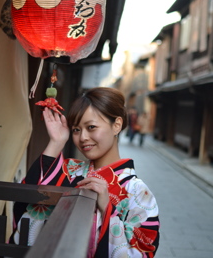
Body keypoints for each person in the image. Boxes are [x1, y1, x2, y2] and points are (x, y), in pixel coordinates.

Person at [10, 87, 160, 257]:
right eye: (76, 130)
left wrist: (107, 210)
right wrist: (56, 142)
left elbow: (142, 251)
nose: (82, 138)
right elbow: (27, 197)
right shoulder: (69, 169)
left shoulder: (139, 192)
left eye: (91, 127)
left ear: (117, 125)